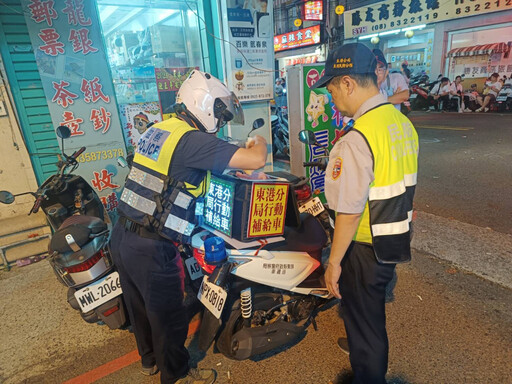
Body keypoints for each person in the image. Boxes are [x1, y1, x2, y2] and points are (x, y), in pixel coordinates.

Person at [112, 70, 267, 384]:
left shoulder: (160, 129)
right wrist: (258, 141)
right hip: (152, 246)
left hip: (122, 236)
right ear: (204, 104)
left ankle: (149, 361)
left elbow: (175, 178)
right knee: (167, 317)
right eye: (220, 113)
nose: (220, 123)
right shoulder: (191, 139)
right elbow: (255, 160)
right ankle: (177, 375)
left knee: (139, 307)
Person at [311, 43, 419, 383]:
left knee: (366, 330)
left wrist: (334, 263)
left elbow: (349, 212)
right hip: (393, 240)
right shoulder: (400, 123)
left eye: (331, 90)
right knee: (371, 321)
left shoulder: (357, 139)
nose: (332, 99)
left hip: (363, 248)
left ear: (347, 83)